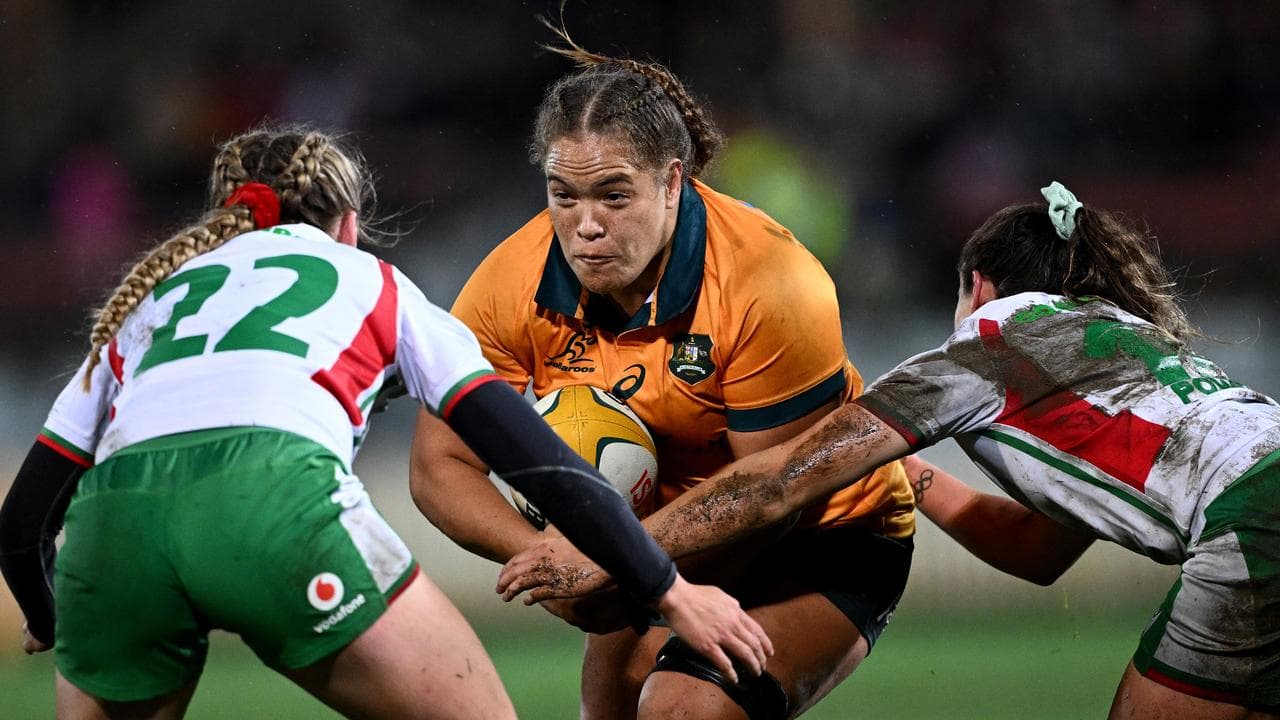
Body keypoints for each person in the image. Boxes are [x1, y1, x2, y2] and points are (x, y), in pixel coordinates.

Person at [0, 126, 771, 720]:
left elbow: (23, 521)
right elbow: (534, 459)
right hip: (272, 500)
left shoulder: (147, 306)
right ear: (348, 223)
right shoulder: (374, 282)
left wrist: (48, 613)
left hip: (113, 529)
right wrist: (670, 590)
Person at [502, 181, 1280, 719]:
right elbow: (1040, 549)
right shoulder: (1126, 351)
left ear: (978, 285)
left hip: (1254, 520)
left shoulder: (988, 347)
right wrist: (913, 473)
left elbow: (776, 483)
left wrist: (614, 551)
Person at [409, 28, 915, 720]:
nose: (585, 226)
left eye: (614, 196)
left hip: (820, 537)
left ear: (673, 182)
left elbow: (773, 494)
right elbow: (438, 463)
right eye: (563, 195)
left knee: (680, 708)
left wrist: (621, 571)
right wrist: (548, 557)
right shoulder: (510, 280)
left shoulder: (772, 281)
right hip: (639, 547)